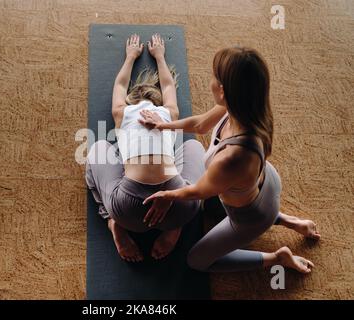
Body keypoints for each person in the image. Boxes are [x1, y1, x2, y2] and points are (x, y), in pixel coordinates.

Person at [140, 47, 321, 273]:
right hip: (262, 183)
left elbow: (198, 192)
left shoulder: (231, 159)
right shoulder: (245, 106)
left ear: (224, 90)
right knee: (215, 208)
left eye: (214, 77)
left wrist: (168, 196)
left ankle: (277, 258)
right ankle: (290, 221)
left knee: (196, 260)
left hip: (248, 216)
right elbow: (200, 125)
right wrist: (163, 124)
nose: (211, 81)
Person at [86, 34, 205, 262]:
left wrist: (130, 57)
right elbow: (169, 84)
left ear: (133, 100)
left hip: (127, 213)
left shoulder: (122, 112)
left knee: (99, 147)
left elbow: (120, 84)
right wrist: (160, 56)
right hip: (180, 206)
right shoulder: (169, 114)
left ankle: (113, 224)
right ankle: (174, 228)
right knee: (193, 146)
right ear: (157, 102)